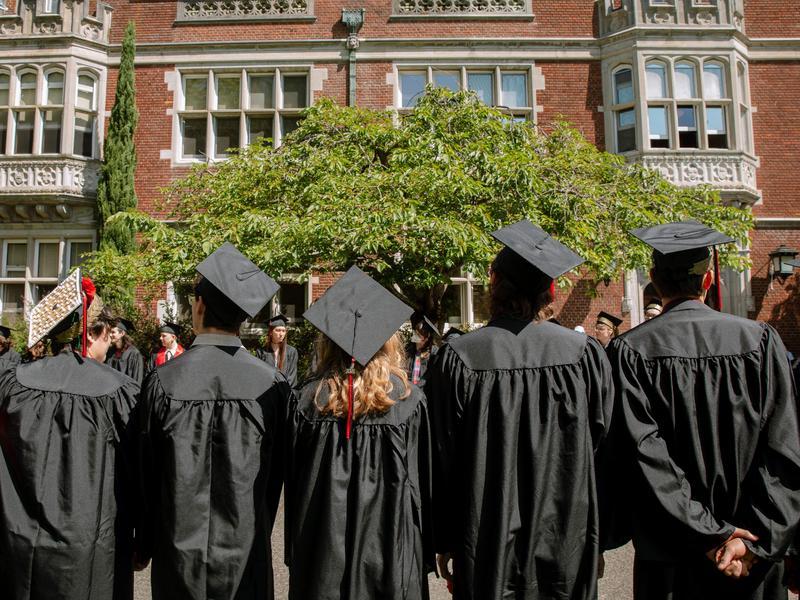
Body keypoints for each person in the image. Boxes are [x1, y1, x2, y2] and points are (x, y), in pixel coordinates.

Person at [608, 221, 800, 600]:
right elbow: (785, 447)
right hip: (751, 559)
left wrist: (707, 533)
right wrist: (750, 541)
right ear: (709, 279)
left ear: (654, 280)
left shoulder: (630, 351)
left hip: (672, 557)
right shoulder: (760, 341)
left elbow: (643, 455)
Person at [425, 219, 614, 600]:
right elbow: (602, 447)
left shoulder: (459, 358)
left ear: (494, 285)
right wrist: (599, 537)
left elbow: (441, 459)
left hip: (486, 539)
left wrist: (445, 538)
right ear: (549, 291)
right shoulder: (583, 356)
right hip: (566, 533)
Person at [137, 242, 290, 600]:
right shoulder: (272, 385)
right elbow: (277, 474)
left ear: (200, 306)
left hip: (177, 552)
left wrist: (143, 542)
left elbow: (147, 472)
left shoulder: (162, 380)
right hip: (246, 548)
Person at [284, 265, 434, 600]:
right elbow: (421, 488)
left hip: (322, 554)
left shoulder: (307, 402)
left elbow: (295, 489)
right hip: (391, 551)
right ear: (388, 340)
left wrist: (297, 550)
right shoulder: (409, 402)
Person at [0, 270, 140, 600]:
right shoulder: (121, 393)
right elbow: (136, 477)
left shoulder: (11, 384)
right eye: (109, 336)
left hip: (18, 546)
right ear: (95, 333)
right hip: (93, 551)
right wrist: (143, 539)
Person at [256, 314, 298, 387]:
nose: (281, 334)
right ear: (271, 332)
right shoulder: (261, 352)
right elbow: (259, 375)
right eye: (278, 330)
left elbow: (292, 376)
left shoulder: (291, 352)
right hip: (267, 393)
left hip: (285, 393)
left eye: (283, 331)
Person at [107, 318, 145, 384]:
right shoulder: (110, 351)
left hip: (126, 392)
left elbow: (137, 380)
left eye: (113, 332)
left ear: (122, 333)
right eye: (110, 332)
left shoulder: (134, 354)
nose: (110, 334)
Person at [405, 312, 438, 386]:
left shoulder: (434, 353)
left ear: (427, 336)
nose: (415, 334)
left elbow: (432, 377)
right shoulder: (408, 349)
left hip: (425, 392)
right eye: (415, 332)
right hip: (409, 389)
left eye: (419, 333)